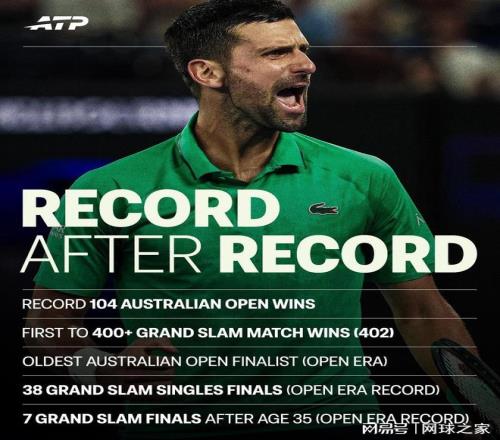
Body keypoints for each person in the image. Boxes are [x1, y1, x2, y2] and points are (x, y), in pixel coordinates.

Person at [27, 0, 477, 439]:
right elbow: (47, 321)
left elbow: (423, 311)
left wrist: (476, 407)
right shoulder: (108, 188)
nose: (306, 65)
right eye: (276, 53)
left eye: (303, 49)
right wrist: (100, 368)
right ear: (208, 72)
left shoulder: (365, 177)